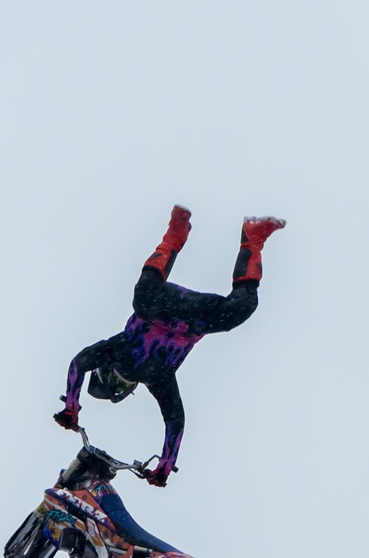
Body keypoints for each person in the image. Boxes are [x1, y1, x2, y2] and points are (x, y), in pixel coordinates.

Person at [54, 207, 285, 485]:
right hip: (193, 319)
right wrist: (164, 466)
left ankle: (175, 235)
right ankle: (252, 238)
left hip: (159, 307)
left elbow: (80, 361)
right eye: (120, 392)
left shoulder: (120, 351)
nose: (121, 384)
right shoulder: (158, 379)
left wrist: (71, 406)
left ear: (107, 372)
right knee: (241, 308)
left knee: (142, 300)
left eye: (113, 385)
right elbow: (175, 423)